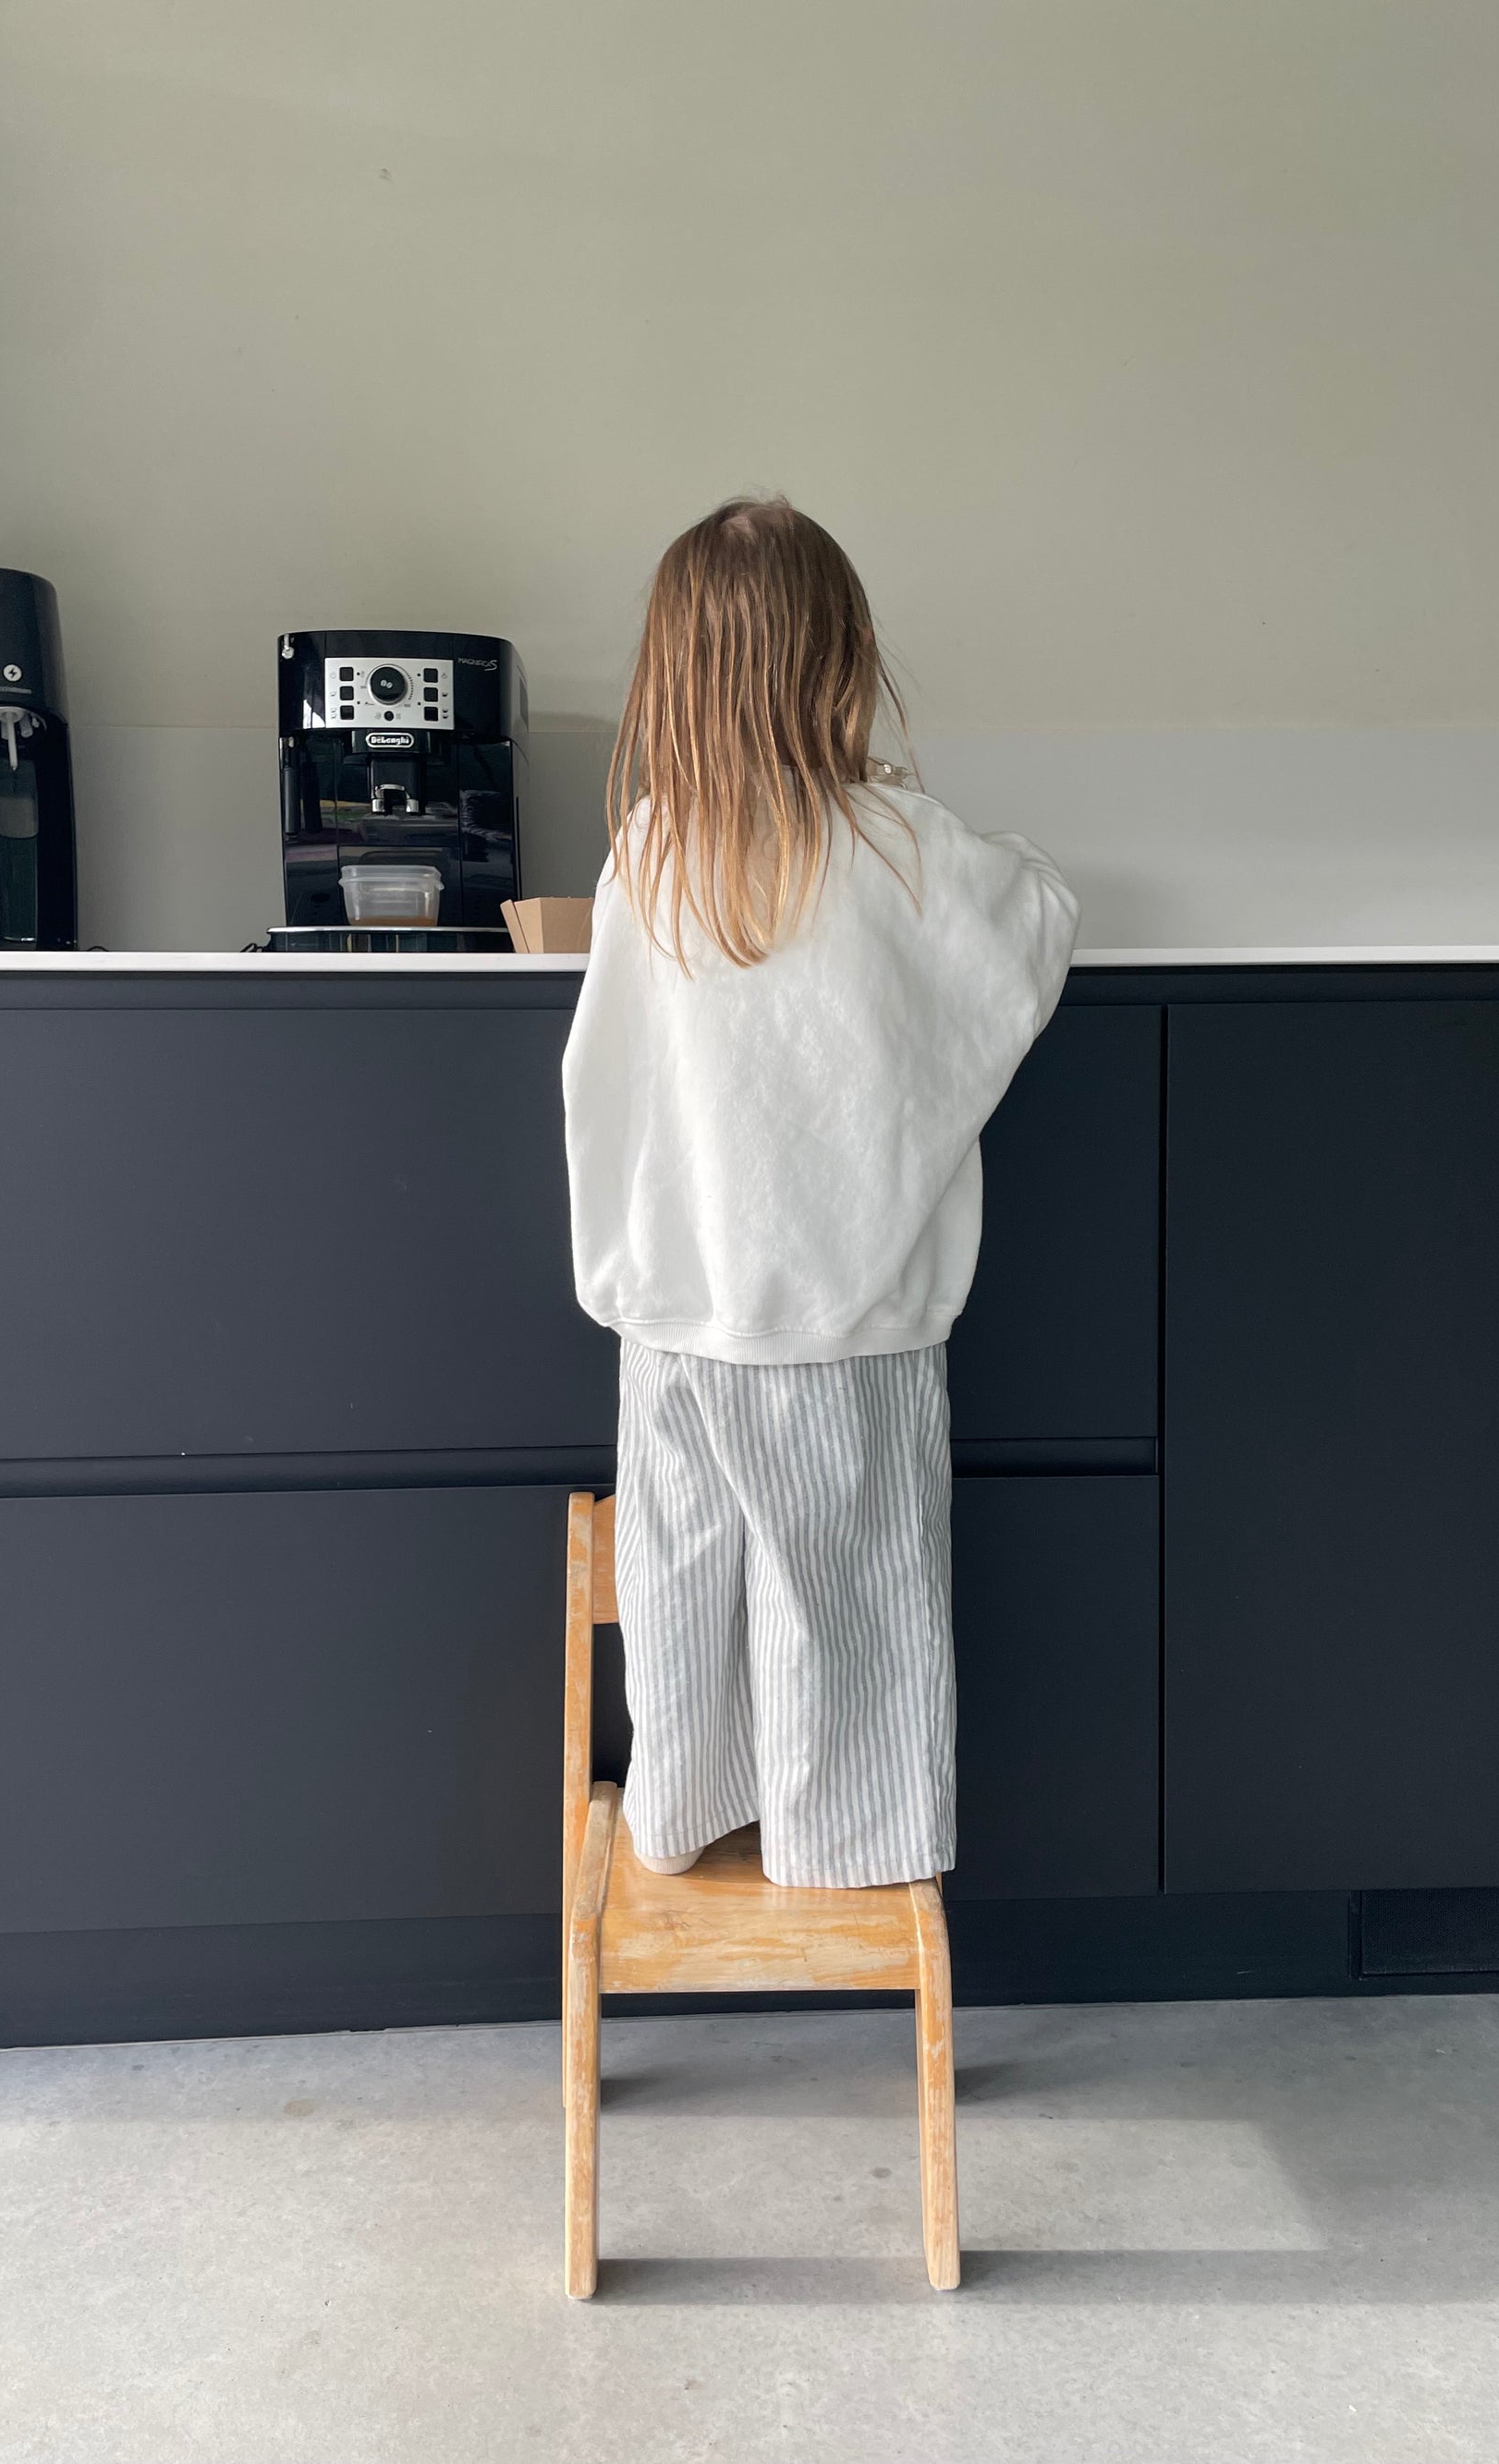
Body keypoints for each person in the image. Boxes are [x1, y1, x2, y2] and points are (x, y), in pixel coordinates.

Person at [562, 496, 1079, 1888]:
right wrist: (896, 791)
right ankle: (837, 1847)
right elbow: (1036, 917)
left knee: (685, 1580)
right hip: (846, 1322)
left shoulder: (649, 854)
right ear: (844, 660)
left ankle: (682, 1810)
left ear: (673, 672)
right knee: (847, 1594)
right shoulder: (897, 845)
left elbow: (605, 1083)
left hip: (675, 1315)